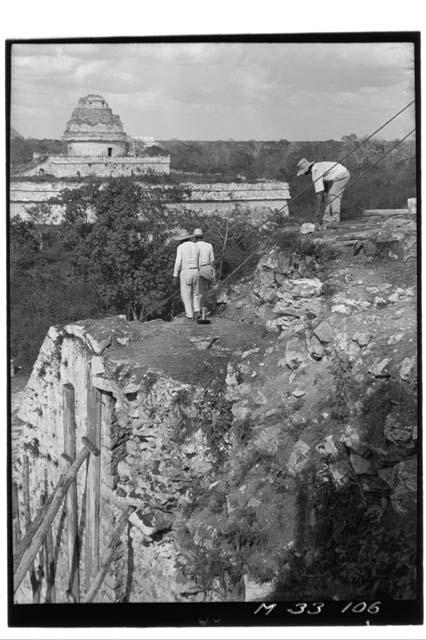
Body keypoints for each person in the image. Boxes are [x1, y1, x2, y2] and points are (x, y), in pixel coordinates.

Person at [296, 158, 350, 228]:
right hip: (339, 174)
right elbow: (325, 184)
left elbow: (319, 194)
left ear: (307, 170)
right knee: (327, 196)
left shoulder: (315, 171)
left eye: (304, 172)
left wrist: (318, 213)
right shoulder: (318, 166)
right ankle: (326, 219)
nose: (305, 174)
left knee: (333, 195)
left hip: (342, 175)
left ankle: (335, 220)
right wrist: (325, 195)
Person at [172, 230, 200, 320]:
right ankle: (197, 311)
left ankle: (189, 314)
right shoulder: (196, 246)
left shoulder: (181, 247)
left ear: (181, 239)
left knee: (185, 294)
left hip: (186, 271)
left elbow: (178, 262)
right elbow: (199, 260)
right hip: (196, 270)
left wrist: (175, 275)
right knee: (195, 293)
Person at [193, 228, 215, 319]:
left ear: (194, 237)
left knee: (197, 292)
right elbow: (212, 261)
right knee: (208, 290)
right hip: (208, 268)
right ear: (202, 236)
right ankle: (207, 309)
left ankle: (198, 311)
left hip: (198, 269)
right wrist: (214, 272)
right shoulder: (209, 245)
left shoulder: (193, 246)